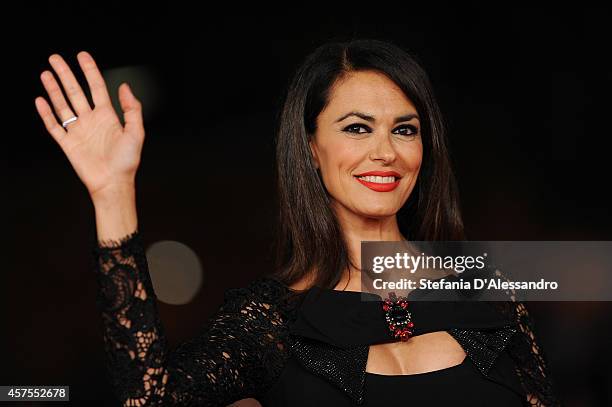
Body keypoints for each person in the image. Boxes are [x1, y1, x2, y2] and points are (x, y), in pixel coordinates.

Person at [35, 39, 561, 406]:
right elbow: (144, 398)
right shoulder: (267, 323)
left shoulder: (486, 291)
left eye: (405, 129)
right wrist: (113, 193)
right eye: (357, 128)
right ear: (310, 148)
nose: (385, 152)